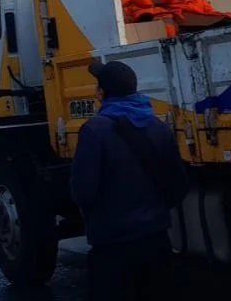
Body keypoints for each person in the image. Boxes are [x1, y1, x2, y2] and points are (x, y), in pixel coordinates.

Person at [71, 60, 187, 301]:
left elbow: (83, 190)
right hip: (156, 241)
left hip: (112, 245)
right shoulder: (159, 127)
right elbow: (178, 184)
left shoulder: (94, 131)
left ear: (101, 93)